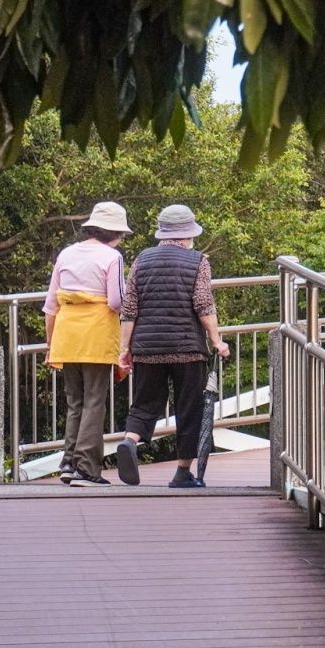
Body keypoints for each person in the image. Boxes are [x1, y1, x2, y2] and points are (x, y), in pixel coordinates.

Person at [115, 204, 230, 488]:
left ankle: (130, 441)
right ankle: (182, 473)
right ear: (188, 234)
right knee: (188, 408)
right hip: (187, 350)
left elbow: (129, 308)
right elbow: (203, 304)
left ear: (162, 233)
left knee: (145, 403)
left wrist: (125, 349)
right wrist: (216, 340)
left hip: (147, 348)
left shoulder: (142, 259)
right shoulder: (197, 261)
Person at [43, 202, 130, 487]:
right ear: (115, 233)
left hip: (66, 334)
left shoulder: (67, 253)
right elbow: (117, 300)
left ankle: (68, 463)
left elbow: (51, 305)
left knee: (75, 402)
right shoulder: (112, 257)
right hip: (96, 334)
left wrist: (50, 344)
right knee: (95, 402)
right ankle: (87, 468)